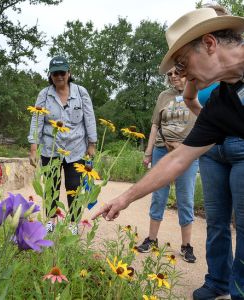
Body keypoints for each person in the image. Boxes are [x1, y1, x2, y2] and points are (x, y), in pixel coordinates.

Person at [92, 7, 244, 300]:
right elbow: (178, 158)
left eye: (184, 63)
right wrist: (124, 198)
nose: (182, 75)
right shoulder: (220, 106)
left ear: (210, 44)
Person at [28, 56, 97, 234]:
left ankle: (73, 223)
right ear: (50, 75)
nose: (59, 76)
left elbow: (89, 118)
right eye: (55, 73)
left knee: (74, 187)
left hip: (76, 149)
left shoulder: (81, 92)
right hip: (51, 148)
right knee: (51, 186)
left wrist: (92, 144)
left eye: (62, 72)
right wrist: (33, 148)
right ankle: (51, 221)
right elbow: (37, 120)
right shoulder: (44, 94)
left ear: (69, 73)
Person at [139, 67, 198, 263]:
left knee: (185, 197)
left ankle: (186, 246)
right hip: (162, 151)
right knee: (158, 195)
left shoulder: (197, 91)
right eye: (169, 74)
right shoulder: (164, 96)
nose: (173, 76)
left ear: (186, 74)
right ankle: (152, 239)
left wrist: (186, 146)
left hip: (186, 152)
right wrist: (148, 153)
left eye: (177, 73)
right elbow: (155, 124)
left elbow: (205, 123)